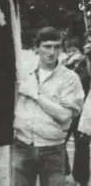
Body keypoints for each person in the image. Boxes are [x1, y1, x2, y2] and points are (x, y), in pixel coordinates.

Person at [13, 26, 85, 186]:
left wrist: (36, 96)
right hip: (23, 145)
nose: (52, 52)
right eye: (47, 46)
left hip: (52, 149)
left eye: (57, 46)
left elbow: (65, 115)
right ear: (37, 48)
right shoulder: (25, 72)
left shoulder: (70, 78)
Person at [62, 36, 90, 186]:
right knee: (59, 141)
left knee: (82, 146)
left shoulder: (87, 63)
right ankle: (66, 174)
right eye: (68, 50)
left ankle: (81, 179)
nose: (70, 53)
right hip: (68, 110)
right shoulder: (66, 65)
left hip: (83, 111)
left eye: (73, 50)